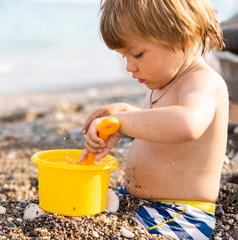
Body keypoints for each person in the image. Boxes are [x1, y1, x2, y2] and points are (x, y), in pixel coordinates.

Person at [79, 0, 228, 239]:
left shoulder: (203, 82)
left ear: (182, 38)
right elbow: (159, 123)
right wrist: (125, 113)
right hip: (140, 203)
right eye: (124, 56)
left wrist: (126, 122)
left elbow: (187, 124)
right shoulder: (164, 83)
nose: (129, 66)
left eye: (137, 54)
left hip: (180, 214)